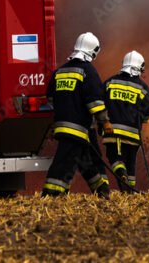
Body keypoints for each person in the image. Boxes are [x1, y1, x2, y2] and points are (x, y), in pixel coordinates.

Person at [42, 32, 113, 198]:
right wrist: (105, 122)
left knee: (87, 160)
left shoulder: (59, 72)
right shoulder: (88, 71)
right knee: (64, 162)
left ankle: (101, 190)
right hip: (78, 128)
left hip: (63, 126)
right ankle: (52, 194)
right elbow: (95, 100)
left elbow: (51, 99)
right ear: (93, 51)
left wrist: (54, 124)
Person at [102, 50, 149, 192]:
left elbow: (99, 103)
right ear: (140, 67)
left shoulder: (110, 83)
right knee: (130, 164)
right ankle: (130, 192)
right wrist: (141, 119)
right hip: (133, 135)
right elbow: (148, 108)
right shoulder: (143, 88)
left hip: (112, 131)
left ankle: (121, 175)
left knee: (115, 158)